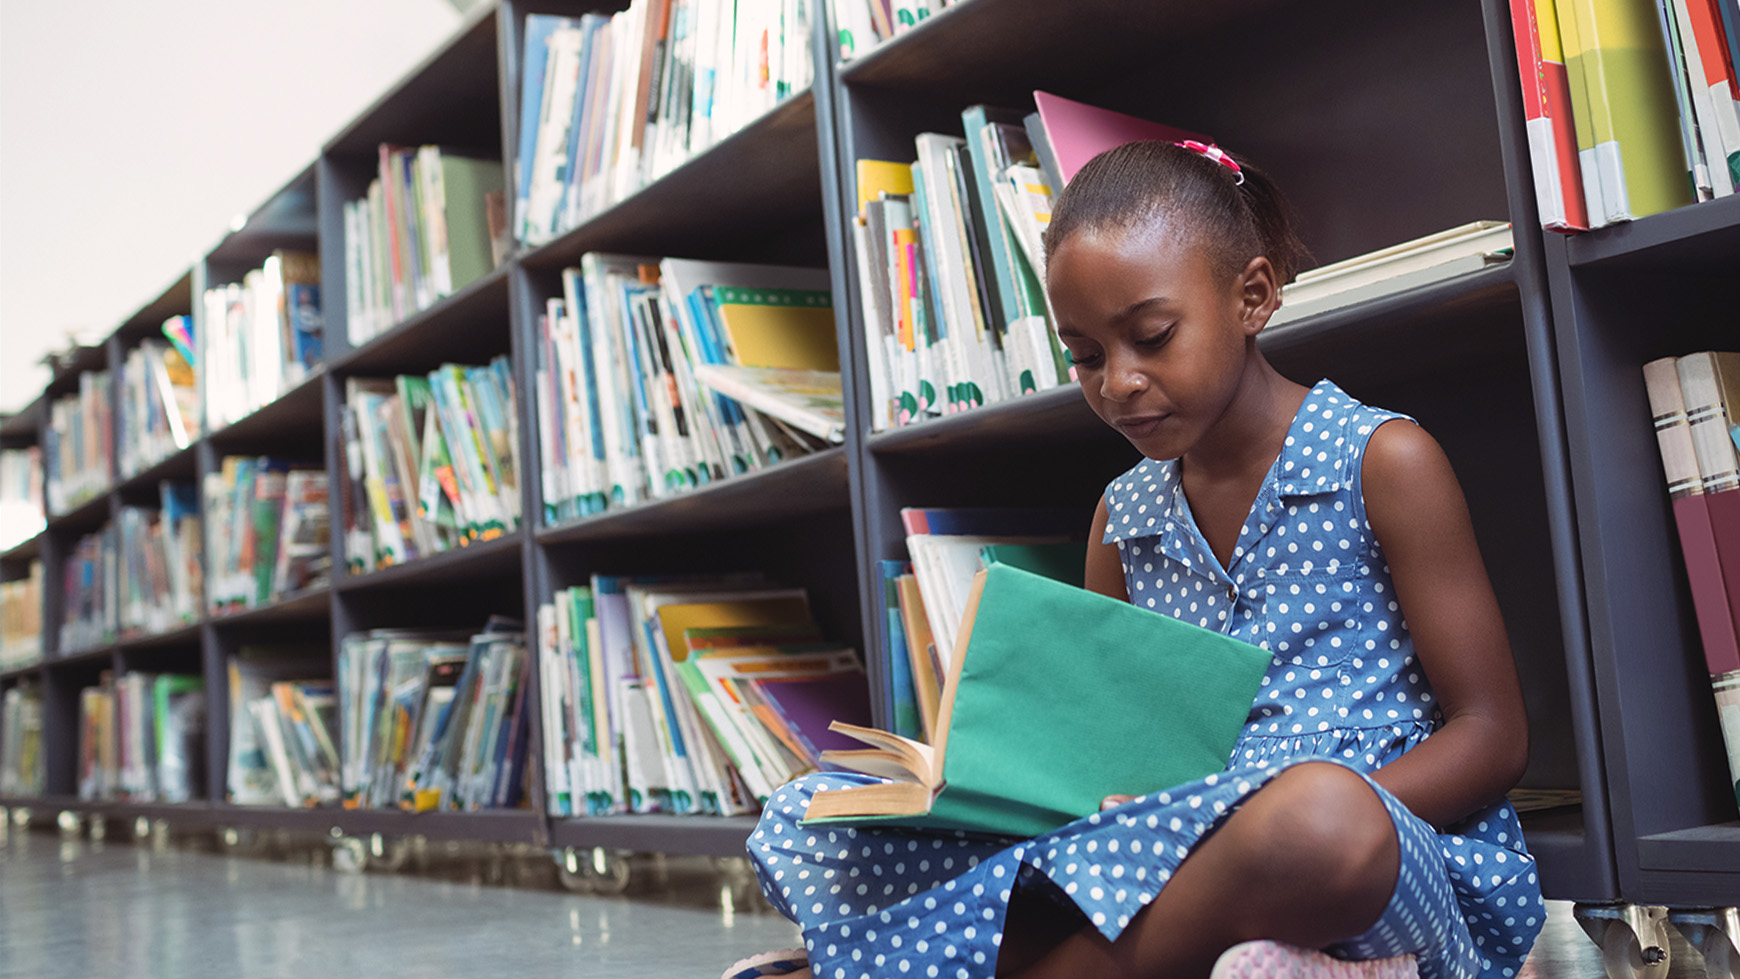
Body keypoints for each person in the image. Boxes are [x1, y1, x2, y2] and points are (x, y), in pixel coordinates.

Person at [727, 139, 1544, 979]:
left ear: (1252, 297)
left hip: (1366, 848)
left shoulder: (1383, 459)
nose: (1117, 382)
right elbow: (1109, 756)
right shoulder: (1122, 513)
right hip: (1153, 849)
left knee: (1319, 818)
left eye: (1152, 337)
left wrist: (1234, 824)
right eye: (1085, 355)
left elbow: (1492, 735)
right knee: (807, 817)